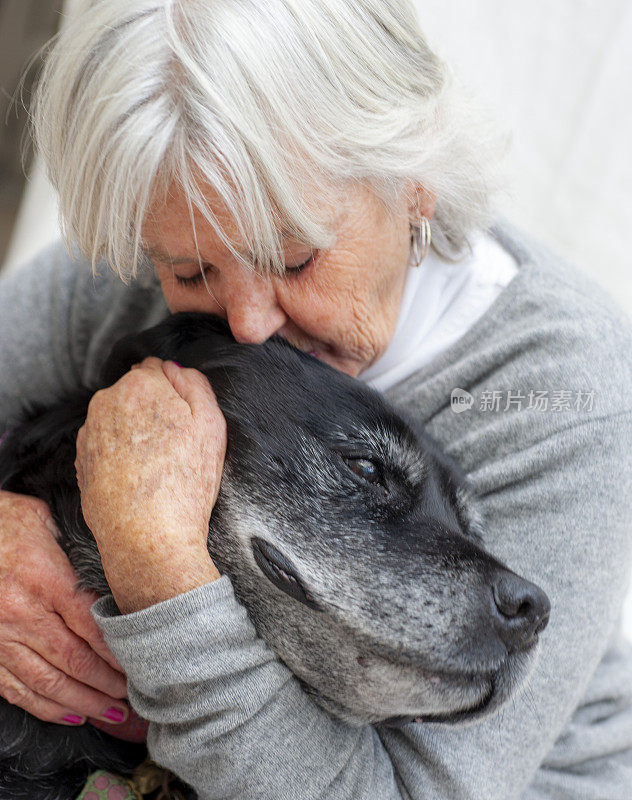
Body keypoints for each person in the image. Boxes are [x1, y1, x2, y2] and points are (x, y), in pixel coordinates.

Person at [1, 1, 631, 797]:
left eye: (296, 260)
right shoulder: (146, 249)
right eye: (192, 275)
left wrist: (159, 572)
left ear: (415, 182)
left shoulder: (562, 380)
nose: (248, 323)